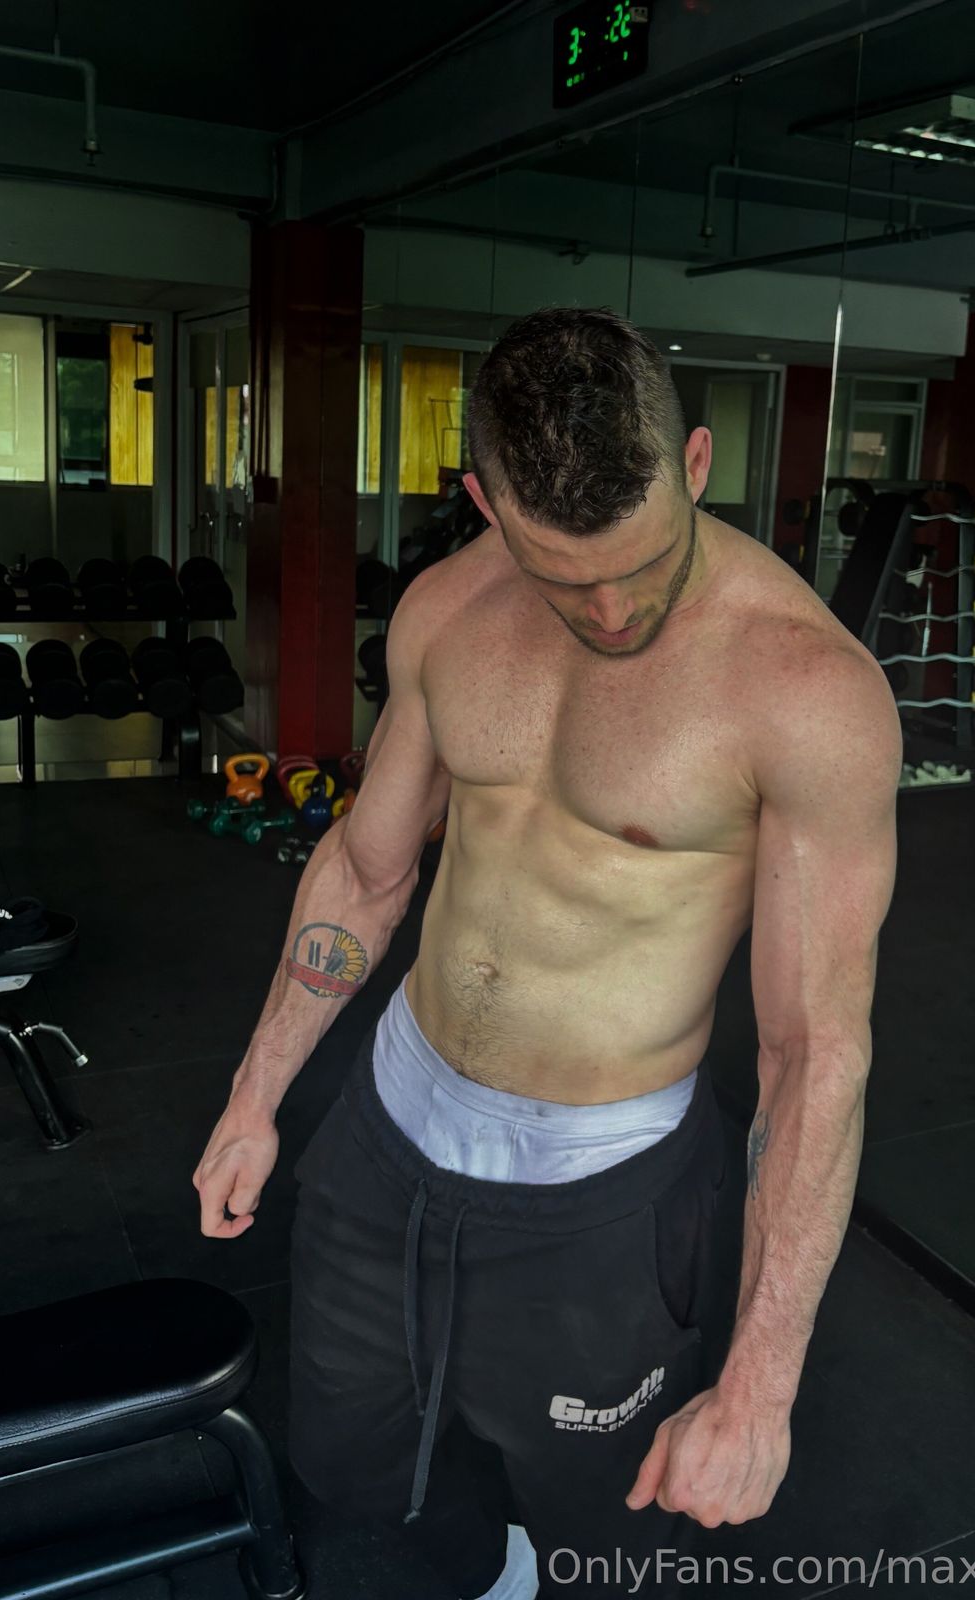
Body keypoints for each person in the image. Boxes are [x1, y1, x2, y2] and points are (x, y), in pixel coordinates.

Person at [191, 306, 902, 1599]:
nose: (614, 611)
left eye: (644, 563)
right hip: (385, 1138)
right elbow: (365, 868)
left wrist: (760, 1382)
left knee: (600, 1531)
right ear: (485, 503)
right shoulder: (446, 612)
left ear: (694, 464)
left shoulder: (804, 691)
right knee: (356, 1475)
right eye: (565, 576)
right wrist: (256, 1097)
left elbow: (814, 1050)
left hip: (603, 1191)